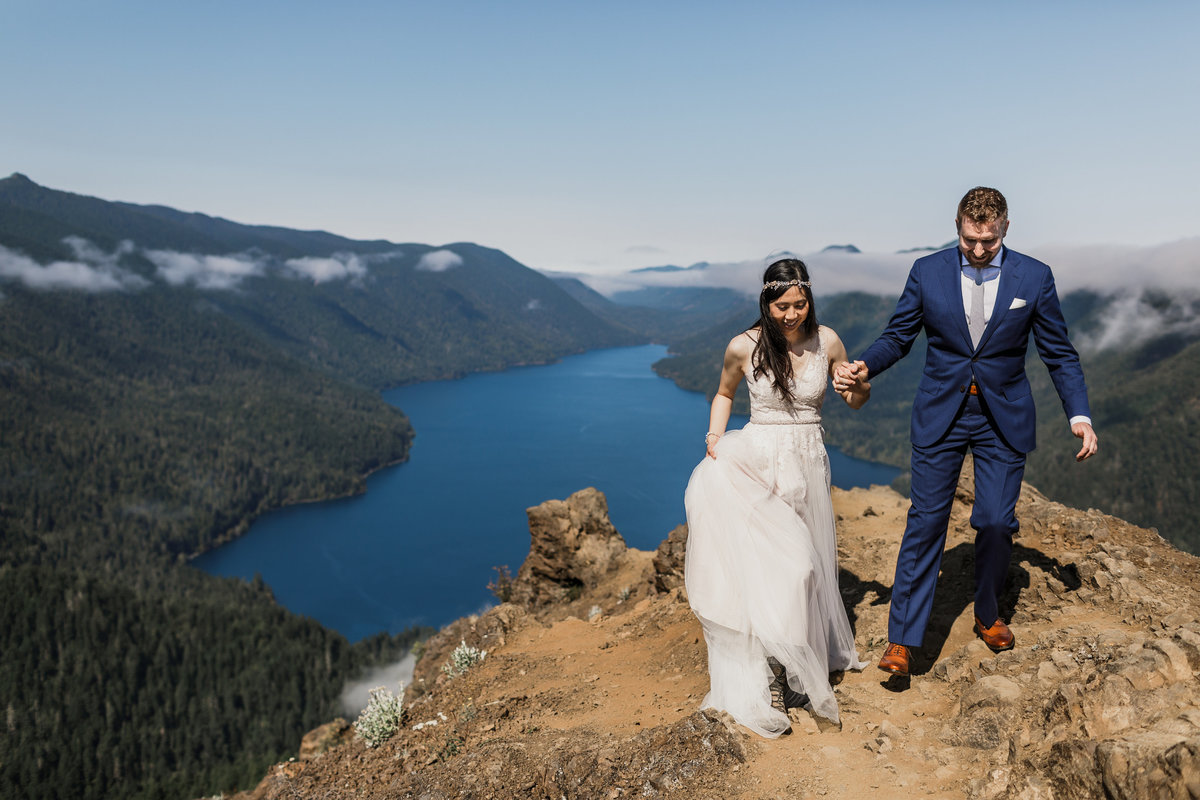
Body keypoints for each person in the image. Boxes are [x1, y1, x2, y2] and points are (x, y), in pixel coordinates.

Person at [833, 187, 1098, 678]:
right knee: (926, 520)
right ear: (958, 227)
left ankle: (987, 611)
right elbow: (899, 336)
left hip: (1005, 416)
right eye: (969, 239)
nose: (978, 251)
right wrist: (865, 364)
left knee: (996, 522)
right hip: (941, 412)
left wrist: (1078, 415)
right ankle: (902, 641)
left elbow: (1059, 353)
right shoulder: (926, 271)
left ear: (1005, 230)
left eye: (988, 242)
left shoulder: (1035, 277)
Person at [684, 256, 870, 737]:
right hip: (759, 463)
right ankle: (773, 675)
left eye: (799, 304)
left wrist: (859, 385)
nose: (792, 314)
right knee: (787, 570)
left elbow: (854, 400)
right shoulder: (742, 347)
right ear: (765, 302)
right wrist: (713, 439)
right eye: (782, 305)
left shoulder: (826, 340)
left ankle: (793, 663)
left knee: (804, 571)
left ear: (810, 299)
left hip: (808, 463)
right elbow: (724, 394)